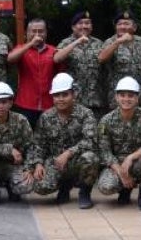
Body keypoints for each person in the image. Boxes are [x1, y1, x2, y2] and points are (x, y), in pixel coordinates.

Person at [27, 73, 100, 209]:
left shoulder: (85, 114)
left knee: (90, 158)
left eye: (65, 95)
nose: (60, 99)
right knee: (40, 187)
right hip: (55, 162)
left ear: (73, 95)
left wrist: (68, 153)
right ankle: (64, 187)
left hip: (76, 160)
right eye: (57, 95)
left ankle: (84, 192)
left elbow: (91, 141)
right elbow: (38, 144)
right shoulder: (46, 117)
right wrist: (38, 163)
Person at [95, 76, 141, 211]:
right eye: (122, 95)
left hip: (139, 162)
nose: (126, 99)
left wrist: (131, 157)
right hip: (117, 164)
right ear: (116, 97)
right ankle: (124, 190)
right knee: (106, 186)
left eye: (130, 95)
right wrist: (121, 173)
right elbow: (104, 151)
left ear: (137, 98)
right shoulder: (107, 120)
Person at [0, 82, 34, 205]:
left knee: (26, 186)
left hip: (13, 165)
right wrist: (9, 149)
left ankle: (11, 186)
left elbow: (31, 146)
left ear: (11, 102)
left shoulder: (21, 120)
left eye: (4, 102)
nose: (1, 106)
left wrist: (29, 168)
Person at [7, 18, 58, 128]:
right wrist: (30, 44)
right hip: (25, 104)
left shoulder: (53, 50)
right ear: (27, 33)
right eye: (33, 31)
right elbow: (10, 59)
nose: (37, 34)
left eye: (41, 31)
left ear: (46, 33)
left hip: (49, 104)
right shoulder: (21, 48)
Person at [54, 10, 105, 119]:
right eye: (80, 23)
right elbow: (57, 59)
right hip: (73, 99)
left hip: (94, 99)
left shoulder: (99, 44)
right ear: (73, 27)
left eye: (87, 23)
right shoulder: (66, 43)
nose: (84, 26)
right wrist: (77, 42)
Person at [98, 10, 141, 111]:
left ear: (134, 27)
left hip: (139, 94)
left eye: (126, 24)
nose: (122, 26)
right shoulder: (110, 42)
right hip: (118, 96)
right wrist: (118, 42)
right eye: (119, 24)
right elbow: (101, 58)